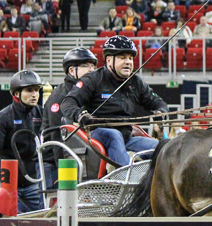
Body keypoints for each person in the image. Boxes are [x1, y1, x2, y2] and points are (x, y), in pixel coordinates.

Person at [60, 36, 169, 167]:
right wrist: (80, 115)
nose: (128, 62)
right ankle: (126, 177)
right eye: (122, 57)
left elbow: (158, 102)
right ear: (109, 60)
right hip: (97, 134)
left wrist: (161, 112)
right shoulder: (93, 79)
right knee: (114, 135)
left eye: (130, 58)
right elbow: (68, 103)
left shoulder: (136, 82)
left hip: (126, 138)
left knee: (164, 148)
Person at [0, 70, 45, 213]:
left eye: (36, 90)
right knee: (0, 221)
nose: (35, 94)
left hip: (32, 183)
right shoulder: (4, 117)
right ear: (16, 93)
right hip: (5, 182)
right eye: (29, 90)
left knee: (47, 220)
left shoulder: (41, 114)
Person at [41, 48, 99, 185]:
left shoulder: (89, 93)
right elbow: (57, 136)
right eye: (85, 66)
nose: (91, 70)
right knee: (59, 198)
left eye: (93, 66)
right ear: (72, 71)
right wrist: (63, 172)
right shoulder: (59, 97)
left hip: (81, 157)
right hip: (55, 163)